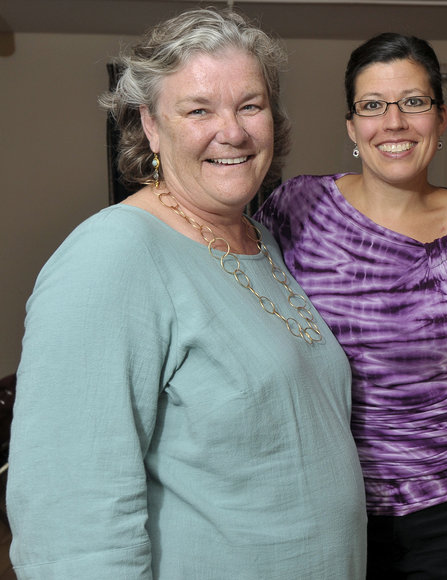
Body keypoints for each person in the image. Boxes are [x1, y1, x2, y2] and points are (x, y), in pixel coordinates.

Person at [7, 8, 366, 579]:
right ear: (150, 124)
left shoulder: (260, 239)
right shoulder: (112, 256)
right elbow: (70, 521)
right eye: (199, 109)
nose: (234, 131)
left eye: (250, 105)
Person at [255, 32, 447, 579]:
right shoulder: (297, 208)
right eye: (374, 106)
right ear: (353, 126)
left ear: (441, 118)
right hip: (325, 502)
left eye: (414, 102)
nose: (395, 122)